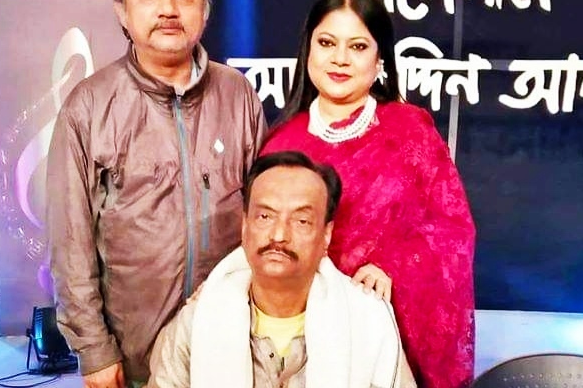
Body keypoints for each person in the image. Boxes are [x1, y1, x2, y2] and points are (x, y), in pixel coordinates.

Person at [46, 0, 267, 387]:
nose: (168, 8)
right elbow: (70, 242)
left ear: (205, 10)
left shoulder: (238, 95)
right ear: (122, 11)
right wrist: (94, 349)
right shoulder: (89, 107)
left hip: (227, 344)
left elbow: (263, 214)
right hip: (133, 355)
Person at [261, 0, 476, 388]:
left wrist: (394, 268)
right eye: (327, 43)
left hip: (392, 340)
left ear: (380, 59)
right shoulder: (281, 145)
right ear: (308, 49)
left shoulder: (410, 132)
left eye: (358, 47)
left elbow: (452, 231)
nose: (340, 59)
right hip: (304, 345)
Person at [147, 151, 416, 388]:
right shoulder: (200, 317)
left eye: (301, 220)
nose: (279, 235)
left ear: (326, 234)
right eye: (265, 216)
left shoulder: (368, 321)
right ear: (245, 226)